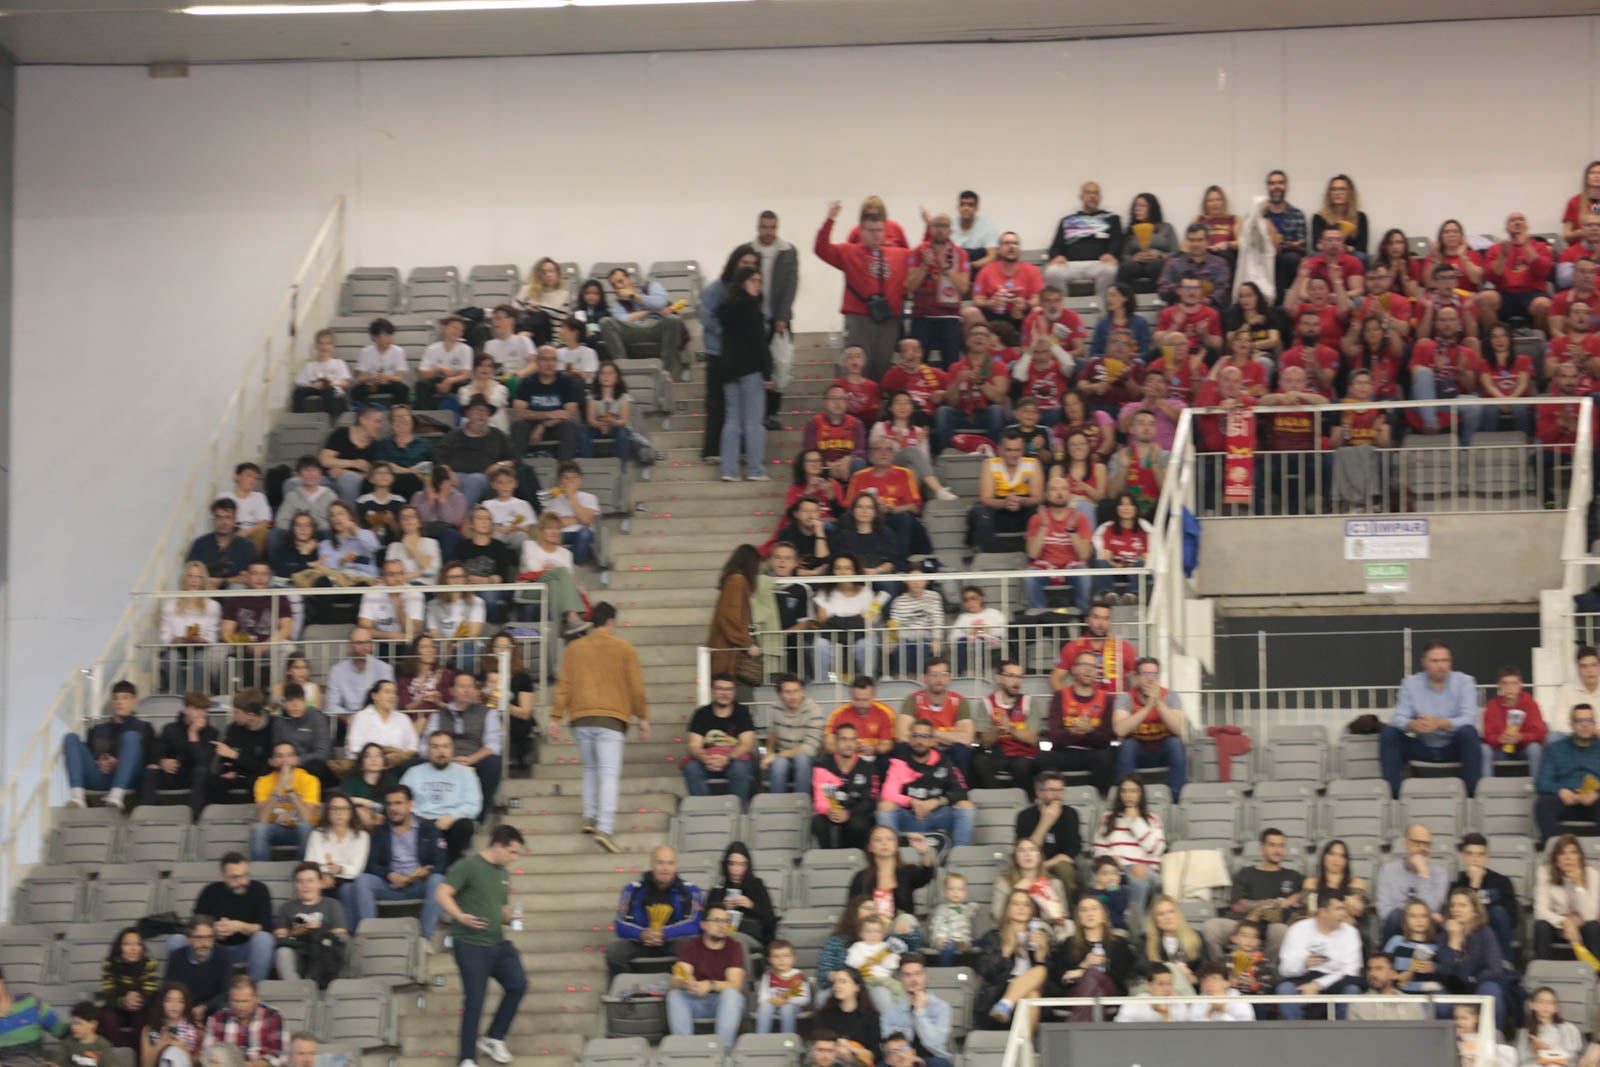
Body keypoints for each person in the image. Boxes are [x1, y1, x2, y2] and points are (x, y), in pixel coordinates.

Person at [549, 602, 648, 853]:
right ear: (612, 621)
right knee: (608, 773)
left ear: (592, 621)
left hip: (581, 717)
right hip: (612, 719)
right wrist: (643, 716)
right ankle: (605, 828)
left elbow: (564, 684)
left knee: (590, 768)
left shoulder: (575, 648)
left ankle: (589, 816)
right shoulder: (624, 649)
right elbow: (636, 687)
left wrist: (555, 716)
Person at [435, 825, 528, 1067]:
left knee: (518, 984)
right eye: (512, 852)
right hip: (470, 943)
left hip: (498, 942)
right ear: (498, 845)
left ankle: (494, 1037)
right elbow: (442, 893)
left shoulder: (503, 873)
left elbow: (500, 909)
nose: (514, 858)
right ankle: (466, 1058)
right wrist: (460, 916)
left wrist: (512, 918)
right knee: (475, 999)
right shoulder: (468, 865)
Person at [1381, 641, 1483, 798]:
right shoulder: (1410, 683)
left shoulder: (1465, 682)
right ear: (1424, 663)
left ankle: (1472, 794)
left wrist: (1439, 723)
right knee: (1389, 733)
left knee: (1469, 733)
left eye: (1445, 660)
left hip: (1453, 747)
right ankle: (1393, 795)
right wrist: (1412, 724)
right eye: (1435, 661)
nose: (1441, 666)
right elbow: (1398, 719)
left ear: (1450, 662)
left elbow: (1468, 719)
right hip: (1422, 746)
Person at [346, 783, 446, 937]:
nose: (393, 808)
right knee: (362, 880)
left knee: (438, 880)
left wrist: (426, 872)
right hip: (390, 885)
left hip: (418, 884)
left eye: (398, 803)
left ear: (410, 804)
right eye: (390, 804)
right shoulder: (380, 830)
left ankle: (425, 939)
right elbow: (371, 865)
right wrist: (390, 874)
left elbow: (441, 861)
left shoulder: (428, 828)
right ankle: (369, 936)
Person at [169, 854, 275, 982]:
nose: (242, 881)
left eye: (245, 875)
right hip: (214, 948)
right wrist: (214, 932)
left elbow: (266, 927)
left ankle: (255, 988)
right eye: (235, 877)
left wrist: (239, 926)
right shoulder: (210, 891)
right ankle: (181, 992)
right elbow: (196, 925)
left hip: (246, 949)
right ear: (223, 876)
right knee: (176, 940)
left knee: (263, 939)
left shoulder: (259, 890)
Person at [1200, 828, 1303, 959]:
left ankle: (1268, 972)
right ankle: (1222, 970)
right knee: (1211, 927)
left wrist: (1293, 899)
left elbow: (1308, 888)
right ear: (1262, 848)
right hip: (1244, 923)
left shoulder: (1292, 876)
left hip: (1272, 925)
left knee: (1280, 930)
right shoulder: (1246, 873)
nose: (1277, 850)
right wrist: (1268, 904)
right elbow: (1237, 905)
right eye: (1272, 845)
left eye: (1281, 845)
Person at [606, 846, 703, 979]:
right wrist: (642, 934)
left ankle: (685, 987)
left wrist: (664, 933)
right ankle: (626, 990)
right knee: (613, 952)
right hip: (640, 942)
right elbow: (619, 925)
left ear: (676, 866)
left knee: (692, 947)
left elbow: (695, 924)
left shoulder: (691, 890)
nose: (665, 868)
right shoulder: (632, 889)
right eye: (660, 863)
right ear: (652, 864)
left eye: (670, 863)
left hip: (673, 941)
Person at [875, 719, 976, 846]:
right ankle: (894, 856)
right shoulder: (900, 761)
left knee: (966, 806)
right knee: (885, 806)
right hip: (909, 815)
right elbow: (887, 794)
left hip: (938, 815)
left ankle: (959, 857)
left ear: (932, 741)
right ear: (910, 740)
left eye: (924, 736)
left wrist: (936, 802)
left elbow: (961, 791)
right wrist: (912, 802)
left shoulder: (945, 762)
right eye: (915, 735)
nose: (919, 740)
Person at [665, 902, 747, 1051]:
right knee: (674, 994)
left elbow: (736, 984)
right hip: (697, 1000)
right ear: (704, 924)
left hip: (722, 1003)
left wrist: (710, 985)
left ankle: (723, 1050)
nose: (722, 925)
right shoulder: (691, 946)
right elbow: (678, 978)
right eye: (717, 921)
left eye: (726, 921)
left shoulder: (734, 946)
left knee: (732, 994)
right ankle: (683, 1050)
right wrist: (686, 982)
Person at [420, 673, 503, 817]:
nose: (467, 690)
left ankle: (479, 814)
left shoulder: (488, 713)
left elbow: (494, 745)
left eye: (470, 686)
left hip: (475, 759)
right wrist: (448, 759)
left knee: (494, 762)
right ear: (451, 690)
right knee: (411, 764)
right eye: (462, 686)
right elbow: (424, 746)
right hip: (443, 759)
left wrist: (471, 759)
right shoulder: (438, 715)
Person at [1038, 896, 1140, 1011]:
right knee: (1089, 981)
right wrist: (1084, 965)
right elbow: (1059, 976)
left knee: (1092, 977)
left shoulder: (1119, 944)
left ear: (1104, 915)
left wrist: (1083, 972)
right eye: (1084, 910)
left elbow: (1120, 976)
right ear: (1079, 917)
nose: (1089, 913)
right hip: (1075, 995)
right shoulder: (1068, 944)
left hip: (1109, 994)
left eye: (1094, 909)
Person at [64, 680, 152, 810]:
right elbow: (89, 756)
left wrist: (118, 763)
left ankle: (117, 795)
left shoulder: (144, 728)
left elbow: (146, 759)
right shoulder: (97, 729)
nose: (119, 702)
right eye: (115, 698)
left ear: (134, 701)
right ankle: (77, 797)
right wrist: (99, 762)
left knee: (131, 737)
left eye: (125, 698)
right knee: (70, 738)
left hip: (130, 779)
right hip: (101, 776)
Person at [1274, 896, 1363, 1019]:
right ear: (1323, 912)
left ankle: (1343, 1035)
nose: (1343, 913)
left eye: (1344, 909)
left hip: (1336, 981)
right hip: (1303, 978)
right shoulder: (1299, 929)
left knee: (1352, 990)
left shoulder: (1350, 932)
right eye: (1338, 909)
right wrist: (1303, 964)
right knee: (1285, 989)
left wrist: (1318, 984)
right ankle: (1296, 1035)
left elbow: (1351, 971)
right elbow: (1284, 969)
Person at [1433, 886, 1509, 1030]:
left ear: (1474, 911)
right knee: (1438, 999)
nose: (1456, 909)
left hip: (1480, 984)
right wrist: (1454, 942)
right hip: (1453, 987)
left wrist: (1470, 980)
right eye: (1453, 905)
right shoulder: (1444, 935)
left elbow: (1495, 968)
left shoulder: (1485, 933)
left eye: (1462, 905)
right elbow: (1445, 972)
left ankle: (1493, 1039)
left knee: (1491, 991)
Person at [1040, 653, 1116, 795]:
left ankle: (1098, 799)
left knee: (1108, 755)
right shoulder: (1060, 696)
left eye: (1093, 667)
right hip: (1064, 753)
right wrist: (1074, 731)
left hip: (1093, 753)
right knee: (1042, 758)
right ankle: (1055, 797)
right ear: (1074, 669)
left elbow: (1106, 739)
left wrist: (1089, 730)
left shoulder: (1107, 699)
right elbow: (1055, 738)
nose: (1089, 670)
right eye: (1085, 665)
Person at [973, 890, 1052, 1027]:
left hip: (1031, 992)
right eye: (1016, 904)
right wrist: (1006, 951)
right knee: (1033, 994)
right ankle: (1025, 1044)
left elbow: (1051, 979)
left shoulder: (1039, 936)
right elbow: (986, 972)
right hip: (1000, 991)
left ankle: (1005, 1005)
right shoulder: (994, 937)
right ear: (1008, 909)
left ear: (1032, 910)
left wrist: (1041, 954)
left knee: (1039, 975)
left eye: (1026, 905)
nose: (1021, 908)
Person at [400, 731, 482, 862]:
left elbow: (473, 805)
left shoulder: (466, 774)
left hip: (451, 823)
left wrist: (452, 816)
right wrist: (418, 816)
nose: (441, 751)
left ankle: (451, 865)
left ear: (452, 749)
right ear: (428, 750)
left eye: (445, 746)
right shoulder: (413, 773)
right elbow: (402, 800)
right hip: (421, 822)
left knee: (465, 825)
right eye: (435, 747)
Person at [1111, 658, 1187, 797]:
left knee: (1176, 743)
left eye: (1154, 675)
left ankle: (1176, 798)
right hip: (1138, 751)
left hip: (1162, 750)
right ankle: (1125, 796)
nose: (1150, 680)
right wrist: (1147, 708)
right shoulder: (1126, 698)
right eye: (1145, 675)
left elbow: (1177, 729)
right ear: (1136, 677)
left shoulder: (1170, 696)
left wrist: (1158, 702)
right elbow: (1119, 730)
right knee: (1127, 745)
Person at [1093, 776, 1165, 916]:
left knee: (1139, 879)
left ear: (1140, 794)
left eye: (1133, 791)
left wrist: (1135, 821)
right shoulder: (1108, 818)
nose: (1129, 795)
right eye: (1124, 791)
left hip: (1146, 869)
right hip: (1117, 868)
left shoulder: (1152, 819)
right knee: (1108, 877)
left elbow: (1156, 849)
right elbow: (1097, 849)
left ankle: (1132, 919)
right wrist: (1111, 858)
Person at [906, 213, 971, 365]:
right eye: (936, 226)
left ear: (950, 230)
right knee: (916, 364)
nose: (940, 230)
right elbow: (910, 287)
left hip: (950, 316)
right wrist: (924, 266)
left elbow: (963, 287)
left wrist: (945, 267)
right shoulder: (918, 252)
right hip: (922, 316)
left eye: (944, 226)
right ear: (930, 228)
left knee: (952, 366)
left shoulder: (960, 254)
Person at [683, 674, 758, 803]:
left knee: (739, 770)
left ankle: (738, 812)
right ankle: (702, 810)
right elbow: (693, 746)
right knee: (691, 768)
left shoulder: (742, 712)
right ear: (712, 691)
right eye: (720, 689)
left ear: (734, 692)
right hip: (708, 761)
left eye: (729, 689)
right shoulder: (701, 714)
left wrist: (727, 759)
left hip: (735, 759)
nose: (725, 693)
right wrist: (706, 759)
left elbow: (746, 744)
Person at [270, 863, 348, 985]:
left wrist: (319, 929)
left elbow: (341, 932)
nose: (305, 886)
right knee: (282, 951)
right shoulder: (286, 908)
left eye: (310, 881)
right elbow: (280, 936)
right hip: (298, 952)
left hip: (324, 951)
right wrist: (297, 932)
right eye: (301, 882)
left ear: (320, 883)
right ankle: (297, 991)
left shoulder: (332, 905)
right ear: (295, 885)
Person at [433, 399, 518, 510]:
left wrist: (500, 465)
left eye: (485, 412)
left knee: (476, 479)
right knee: (438, 482)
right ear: (467, 414)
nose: (481, 415)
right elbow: (438, 458)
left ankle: (462, 517)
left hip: (484, 479)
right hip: (455, 476)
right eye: (477, 411)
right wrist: (447, 472)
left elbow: (515, 458)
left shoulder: (497, 435)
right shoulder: (453, 436)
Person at [1043, 181, 1120, 302]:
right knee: (1051, 272)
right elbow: (1055, 247)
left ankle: (1103, 310)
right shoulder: (1068, 220)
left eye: (1095, 193)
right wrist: (1057, 256)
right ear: (1081, 197)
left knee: (1110, 270)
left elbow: (1117, 241)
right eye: (1088, 193)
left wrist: (1111, 253)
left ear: (1100, 197)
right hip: (1070, 265)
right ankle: (1064, 310)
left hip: (1098, 264)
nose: (1092, 196)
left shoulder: (1111, 218)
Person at [895, 659, 974, 777]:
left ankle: (959, 791)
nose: (939, 679)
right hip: (922, 748)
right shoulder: (913, 700)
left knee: (961, 750)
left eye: (944, 674)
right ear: (924, 678)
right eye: (933, 675)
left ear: (949, 677)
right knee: (900, 747)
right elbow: (902, 735)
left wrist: (928, 734)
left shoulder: (960, 701)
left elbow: (966, 738)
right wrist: (944, 737)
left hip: (949, 749)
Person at [969, 431, 1044, 553]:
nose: (1013, 454)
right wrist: (1005, 503)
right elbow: (986, 498)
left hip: (1024, 508)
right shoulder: (990, 464)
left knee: (1039, 511)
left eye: (1017, 450)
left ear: (1023, 450)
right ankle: (991, 555)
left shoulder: (1033, 464)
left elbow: (1038, 497)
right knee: (979, 511)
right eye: (1009, 450)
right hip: (998, 509)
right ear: (1000, 450)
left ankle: (1033, 554)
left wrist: (1021, 501)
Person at [849, 825, 936, 929]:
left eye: (889, 839)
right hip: (871, 931)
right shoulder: (861, 877)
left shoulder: (907, 872)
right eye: (878, 840)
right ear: (870, 847)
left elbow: (927, 875)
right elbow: (853, 908)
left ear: (896, 846)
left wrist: (924, 852)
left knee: (907, 919)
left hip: (902, 932)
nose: (884, 843)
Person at [1478, 213, 1554, 332]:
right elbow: (1491, 277)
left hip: (1533, 294)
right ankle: (1491, 339)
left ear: (1527, 226)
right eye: (1513, 220)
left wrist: (1525, 245)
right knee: (1485, 298)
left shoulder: (1541, 246)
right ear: (1506, 229)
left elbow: (1543, 270)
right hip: (1504, 294)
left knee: (1544, 304)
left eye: (1521, 220)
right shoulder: (1496, 248)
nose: (1517, 222)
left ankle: (1540, 343)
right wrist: (1503, 256)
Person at [248, 741, 320, 861]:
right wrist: (278, 787)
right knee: (258, 829)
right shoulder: (262, 782)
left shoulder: (310, 780)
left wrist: (289, 791)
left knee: (306, 827)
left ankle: (306, 870)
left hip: (302, 829)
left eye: (289, 755)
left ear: (296, 759)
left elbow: (306, 817)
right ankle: (261, 872)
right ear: (272, 761)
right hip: (276, 829)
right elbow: (262, 818)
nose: (285, 760)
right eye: (279, 756)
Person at [1538, 703, 1600, 842]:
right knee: (1543, 803)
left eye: (1589, 720)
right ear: (1571, 724)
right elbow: (1542, 781)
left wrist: (1596, 793)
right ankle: (1553, 851)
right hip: (1565, 799)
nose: (1585, 725)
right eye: (1579, 721)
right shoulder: (1556, 748)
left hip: (1594, 800)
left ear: (1594, 724)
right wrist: (1560, 790)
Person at [973, 662, 1039, 792]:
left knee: (1022, 766)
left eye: (1019, 677)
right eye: (1011, 676)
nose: (1017, 682)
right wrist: (998, 728)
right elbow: (985, 742)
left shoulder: (1029, 701)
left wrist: (1010, 729)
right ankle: (996, 797)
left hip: (1024, 755)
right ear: (999, 678)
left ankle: (1025, 802)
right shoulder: (987, 703)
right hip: (999, 754)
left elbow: (1032, 738)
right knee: (980, 762)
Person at [812, 722, 879, 850]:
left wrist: (848, 813)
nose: (849, 744)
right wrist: (829, 810)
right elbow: (818, 798)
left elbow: (870, 800)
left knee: (859, 824)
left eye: (852, 740)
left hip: (856, 813)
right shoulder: (823, 765)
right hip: (831, 812)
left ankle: (852, 859)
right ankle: (828, 860)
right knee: (818, 822)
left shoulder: (868, 767)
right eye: (844, 739)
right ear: (836, 742)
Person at [1376, 823, 1449, 939]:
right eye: (1417, 843)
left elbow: (1432, 909)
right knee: (1395, 915)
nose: (1422, 848)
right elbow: (1384, 911)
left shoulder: (1440, 873)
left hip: (1427, 930)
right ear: (1406, 843)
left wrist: (1423, 873)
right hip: (1396, 928)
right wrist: (1411, 918)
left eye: (1427, 844)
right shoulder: (1388, 870)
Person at [1534, 834, 1600, 960]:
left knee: (1593, 927)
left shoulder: (1592, 874)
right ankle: (1543, 972)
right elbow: (1540, 911)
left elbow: (1591, 915)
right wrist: (1565, 922)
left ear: (1580, 857)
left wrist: (1578, 884)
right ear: (1556, 859)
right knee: (1541, 926)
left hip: (1583, 925)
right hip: (1555, 924)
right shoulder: (1544, 872)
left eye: (1573, 852)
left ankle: (1595, 974)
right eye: (1562, 853)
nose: (1568, 858)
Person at [1014, 772, 1082, 892]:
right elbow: (1026, 850)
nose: (1057, 795)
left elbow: (1070, 853)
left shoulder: (1070, 814)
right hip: (1029, 864)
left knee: (1064, 869)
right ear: (1039, 793)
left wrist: (1044, 865)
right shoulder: (1025, 816)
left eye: (1060, 790)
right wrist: (1045, 823)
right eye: (1052, 790)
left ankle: (1065, 910)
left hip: (1057, 865)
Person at [992, 838, 1070, 941]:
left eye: (1032, 850)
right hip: (1013, 931)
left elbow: (1061, 918)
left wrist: (1051, 909)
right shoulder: (1003, 883)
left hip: (1045, 933)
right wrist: (1016, 891)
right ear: (1015, 858)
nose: (1027, 854)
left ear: (1039, 856)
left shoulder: (1054, 883)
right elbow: (997, 916)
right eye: (1022, 851)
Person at [209, 692, 276, 807]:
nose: (233, 716)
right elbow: (224, 759)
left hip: (263, 776)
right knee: (212, 779)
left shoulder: (274, 728)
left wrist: (235, 755)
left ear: (251, 715)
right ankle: (222, 816)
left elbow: (264, 768)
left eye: (237, 712)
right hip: (238, 774)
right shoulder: (233, 729)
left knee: (257, 782)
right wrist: (227, 769)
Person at [708, 545, 763, 681]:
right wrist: (747, 643)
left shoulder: (733, 580)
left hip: (727, 651)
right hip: (727, 654)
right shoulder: (737, 581)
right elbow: (729, 617)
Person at [1482, 665, 1547, 781]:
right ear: (1499, 686)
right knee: (1484, 749)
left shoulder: (1530, 703)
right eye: (1505, 683)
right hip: (1500, 749)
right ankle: (1487, 789)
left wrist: (1522, 737)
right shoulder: (1492, 705)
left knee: (1535, 748)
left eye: (1514, 683)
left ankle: (1538, 788)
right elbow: (1487, 735)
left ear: (1521, 685)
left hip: (1523, 749)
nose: (1509, 688)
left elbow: (1540, 732)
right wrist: (1499, 739)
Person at [97, 927, 157, 1049]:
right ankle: (115, 1057)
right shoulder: (109, 964)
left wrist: (137, 1000)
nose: (133, 948)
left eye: (137, 944)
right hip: (117, 1007)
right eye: (127, 944)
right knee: (108, 1017)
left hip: (140, 1007)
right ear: (120, 947)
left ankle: (139, 1058)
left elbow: (150, 993)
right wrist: (124, 1001)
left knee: (145, 1017)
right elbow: (109, 995)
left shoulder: (149, 963)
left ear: (142, 947)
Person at [970, 231, 1041, 332]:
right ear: (998, 250)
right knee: (971, 312)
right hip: (993, 316)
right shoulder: (986, 271)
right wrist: (990, 303)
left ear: (1020, 250)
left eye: (1015, 244)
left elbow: (1037, 298)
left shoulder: (1032, 271)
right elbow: (977, 300)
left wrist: (1026, 304)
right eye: (1007, 243)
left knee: (1038, 311)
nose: (1012, 247)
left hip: (1021, 315)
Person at [161, 918, 231, 1020]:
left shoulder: (223, 955)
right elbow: (168, 988)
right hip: (185, 1008)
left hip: (212, 1007)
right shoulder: (177, 957)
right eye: (199, 938)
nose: (205, 943)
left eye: (209, 937)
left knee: (227, 1004)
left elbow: (226, 991)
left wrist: (204, 1007)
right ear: (189, 939)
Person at [342, 680, 417, 772]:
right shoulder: (361, 717)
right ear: (375, 696)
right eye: (387, 692)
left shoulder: (403, 718)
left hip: (397, 767)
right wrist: (388, 752)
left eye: (394, 693)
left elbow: (413, 748)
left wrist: (399, 755)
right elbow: (354, 748)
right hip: (366, 768)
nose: (392, 696)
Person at [323, 631, 396, 724]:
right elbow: (331, 705)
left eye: (368, 642)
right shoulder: (337, 670)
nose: (365, 647)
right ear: (350, 647)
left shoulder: (384, 669)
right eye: (359, 643)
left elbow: (389, 701)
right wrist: (349, 718)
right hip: (347, 721)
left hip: (376, 720)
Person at [188, 499, 259, 591]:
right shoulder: (200, 543)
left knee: (238, 587)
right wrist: (207, 583)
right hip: (205, 591)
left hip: (234, 595)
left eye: (227, 517)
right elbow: (190, 573)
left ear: (235, 520)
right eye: (219, 517)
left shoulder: (247, 546)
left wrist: (223, 581)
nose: (223, 522)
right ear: (214, 520)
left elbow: (248, 578)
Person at [1157, 222, 1232, 307]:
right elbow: (1162, 289)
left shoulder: (1219, 264)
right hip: (1179, 308)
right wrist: (1182, 289)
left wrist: (1208, 300)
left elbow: (1223, 289)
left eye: (1199, 240)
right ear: (1186, 241)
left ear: (1208, 241)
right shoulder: (1173, 263)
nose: (1195, 244)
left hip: (1209, 308)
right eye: (1191, 240)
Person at [357, 559, 424, 649]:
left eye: (400, 573)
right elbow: (364, 629)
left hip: (408, 645)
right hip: (381, 643)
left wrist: (398, 604)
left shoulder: (415, 594)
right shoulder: (371, 593)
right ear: (382, 578)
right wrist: (389, 636)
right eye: (391, 574)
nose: (397, 579)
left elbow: (413, 631)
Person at [1262, 169, 1308, 300]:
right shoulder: (1260, 214)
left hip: (1288, 257)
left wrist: (1285, 245)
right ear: (1267, 187)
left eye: (1280, 183)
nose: (1276, 187)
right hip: (1264, 257)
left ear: (1286, 187)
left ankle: (1282, 300)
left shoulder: (1297, 214)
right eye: (1272, 183)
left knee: (1288, 258)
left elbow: (1303, 245)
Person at [1346, 952, 1428, 1022]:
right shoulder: (1358, 1004)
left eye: (1379, 968)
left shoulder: (1411, 1004)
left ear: (1393, 973)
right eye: (1369, 969)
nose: (1372, 973)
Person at [415, 315, 474, 411]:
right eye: (454, 327)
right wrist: (439, 369)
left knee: (468, 386)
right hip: (436, 380)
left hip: (456, 380)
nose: (457, 332)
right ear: (444, 327)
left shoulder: (466, 349)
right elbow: (422, 374)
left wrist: (449, 381)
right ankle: (425, 416)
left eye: (461, 330)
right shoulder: (432, 348)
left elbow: (465, 374)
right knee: (421, 385)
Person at [139, 982, 204, 1067]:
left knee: (173, 1052)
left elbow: (198, 1064)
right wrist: (160, 1045)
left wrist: (182, 1047)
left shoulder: (196, 1030)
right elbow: (146, 1065)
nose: (174, 1005)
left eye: (180, 1001)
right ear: (162, 1003)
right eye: (169, 1000)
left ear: (185, 1004)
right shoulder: (148, 1030)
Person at [1518, 987, 1586, 1067]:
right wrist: (1536, 1052)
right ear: (1532, 1005)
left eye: (1550, 1003)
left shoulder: (1569, 1028)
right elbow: (1521, 1059)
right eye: (1541, 1002)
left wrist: (1548, 1049)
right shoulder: (1525, 1031)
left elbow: (1574, 1057)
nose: (1545, 1006)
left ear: (1556, 1008)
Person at [755, 939, 810, 1036]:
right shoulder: (768, 976)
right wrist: (772, 1000)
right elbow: (762, 998)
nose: (781, 960)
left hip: (792, 1005)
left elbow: (804, 999)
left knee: (786, 1009)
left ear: (793, 959)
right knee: (764, 1007)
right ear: (770, 960)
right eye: (776, 957)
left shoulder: (797, 976)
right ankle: (761, 1039)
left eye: (786, 956)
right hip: (773, 1003)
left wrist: (787, 1000)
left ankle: (788, 1039)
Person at [291, 330, 351, 416]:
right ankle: (298, 417)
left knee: (328, 390)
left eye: (328, 344)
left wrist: (330, 383)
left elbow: (345, 383)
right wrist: (314, 385)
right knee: (298, 391)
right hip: (314, 388)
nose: (324, 347)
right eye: (321, 343)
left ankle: (329, 418)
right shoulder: (309, 366)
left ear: (333, 347)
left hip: (332, 388)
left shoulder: (339, 363)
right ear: (316, 346)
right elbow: (301, 384)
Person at [927, 874, 975, 967]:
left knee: (983, 940)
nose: (955, 892)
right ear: (945, 892)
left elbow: (972, 909)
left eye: (960, 889)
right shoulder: (942, 910)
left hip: (963, 941)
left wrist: (977, 906)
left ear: (965, 893)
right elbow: (938, 925)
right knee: (947, 947)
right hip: (947, 940)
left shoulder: (965, 909)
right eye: (951, 889)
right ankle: (945, 970)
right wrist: (939, 939)